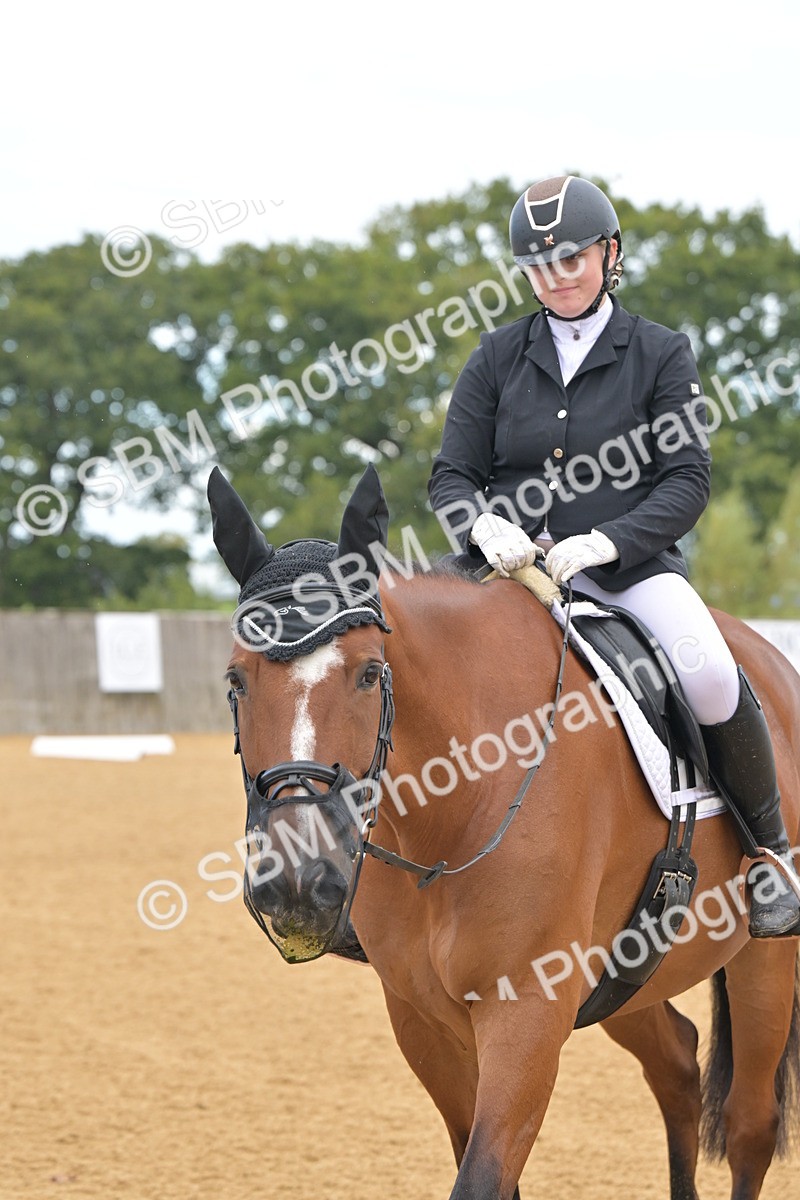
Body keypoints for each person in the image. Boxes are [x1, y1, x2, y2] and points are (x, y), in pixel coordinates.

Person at [428, 174, 800, 938]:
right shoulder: (496, 357)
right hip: (504, 575)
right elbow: (452, 475)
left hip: (628, 572)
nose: (556, 277)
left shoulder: (660, 353)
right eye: (539, 265)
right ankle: (378, 880)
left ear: (609, 254)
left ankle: (770, 855)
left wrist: (611, 540)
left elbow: (688, 479)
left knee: (707, 669)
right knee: (409, 664)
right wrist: (482, 527)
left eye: (571, 259)